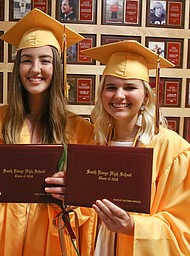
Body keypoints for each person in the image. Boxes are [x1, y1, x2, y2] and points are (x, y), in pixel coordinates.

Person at [0, 8, 94, 255]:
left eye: (45, 60)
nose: (35, 69)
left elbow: (89, 210)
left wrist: (74, 195)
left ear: (57, 67)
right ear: (18, 68)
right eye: (27, 60)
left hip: (52, 244)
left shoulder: (80, 130)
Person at [81, 40, 190, 255]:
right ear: (102, 94)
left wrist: (132, 226)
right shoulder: (91, 143)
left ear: (146, 96)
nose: (119, 96)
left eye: (130, 87)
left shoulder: (172, 149)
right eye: (111, 87)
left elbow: (183, 226)